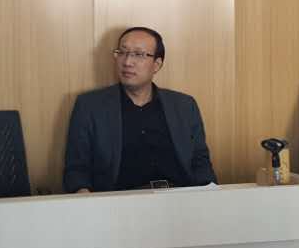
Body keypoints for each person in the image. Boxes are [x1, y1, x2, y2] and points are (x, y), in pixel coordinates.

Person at [63, 26, 217, 192]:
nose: (127, 62)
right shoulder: (90, 106)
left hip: (179, 198)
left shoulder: (184, 106)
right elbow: (77, 168)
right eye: (122, 52)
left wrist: (208, 194)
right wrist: (84, 196)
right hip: (120, 200)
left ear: (157, 64)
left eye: (139, 54)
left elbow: (200, 161)